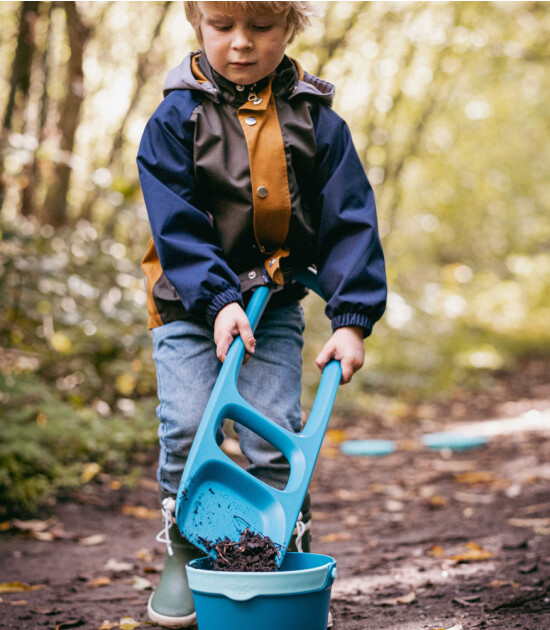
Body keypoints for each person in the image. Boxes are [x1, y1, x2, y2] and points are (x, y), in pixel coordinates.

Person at [137, 1, 387, 627]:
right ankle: (188, 542)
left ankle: (282, 543)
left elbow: (349, 222)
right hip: (188, 307)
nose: (241, 44)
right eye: (223, 27)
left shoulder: (319, 124)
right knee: (188, 423)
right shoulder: (176, 119)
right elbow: (176, 225)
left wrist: (352, 317)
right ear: (199, 24)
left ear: (292, 28)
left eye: (261, 27)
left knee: (273, 430)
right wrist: (217, 301)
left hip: (271, 306)